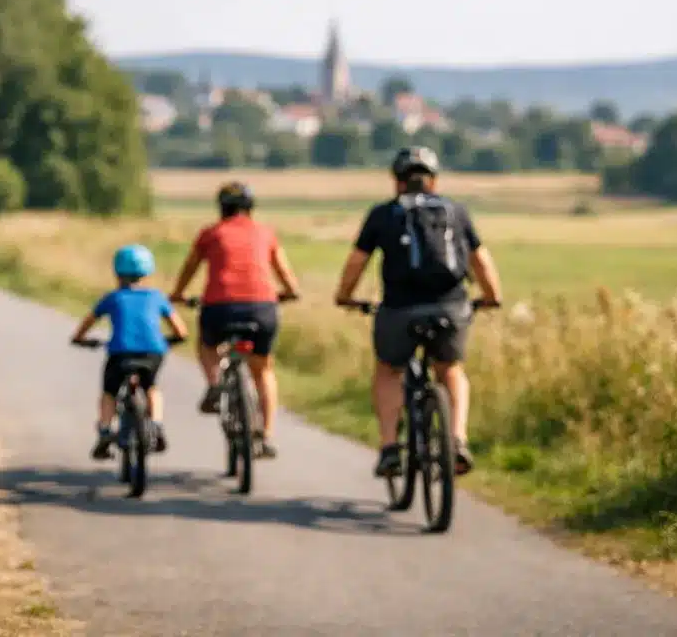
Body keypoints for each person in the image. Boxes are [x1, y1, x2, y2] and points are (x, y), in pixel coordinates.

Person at [333, 146, 504, 478]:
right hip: (450, 306)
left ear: (397, 182)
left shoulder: (383, 214)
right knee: (451, 369)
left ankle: (388, 449)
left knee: (389, 370)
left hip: (399, 308)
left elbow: (357, 261)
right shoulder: (456, 212)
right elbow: (480, 259)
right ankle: (457, 440)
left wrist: (345, 296)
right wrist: (492, 296)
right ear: (434, 182)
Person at [169, 181, 301, 459]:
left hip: (219, 307)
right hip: (261, 308)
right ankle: (265, 436)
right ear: (250, 208)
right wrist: (289, 293)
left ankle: (215, 384)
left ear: (221, 208)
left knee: (207, 346)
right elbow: (285, 273)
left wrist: (178, 294)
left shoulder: (210, 233)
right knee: (263, 370)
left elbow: (189, 267)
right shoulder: (265, 233)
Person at [70, 244, 190, 460]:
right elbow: (181, 330)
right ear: (148, 272)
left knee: (109, 392)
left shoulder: (113, 298)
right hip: (152, 353)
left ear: (117, 272)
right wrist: (173, 340)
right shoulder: (157, 297)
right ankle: (157, 425)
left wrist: (80, 339)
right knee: (151, 387)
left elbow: (86, 324)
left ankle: (105, 432)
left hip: (120, 354)